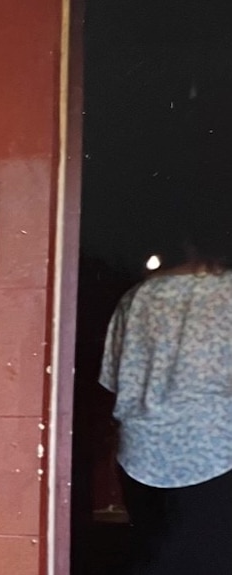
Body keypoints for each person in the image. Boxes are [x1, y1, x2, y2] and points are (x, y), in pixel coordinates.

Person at [98, 193, 232, 575]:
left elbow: (112, 378)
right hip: (218, 452)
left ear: (186, 241)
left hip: (142, 454)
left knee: (153, 555)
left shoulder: (137, 298)